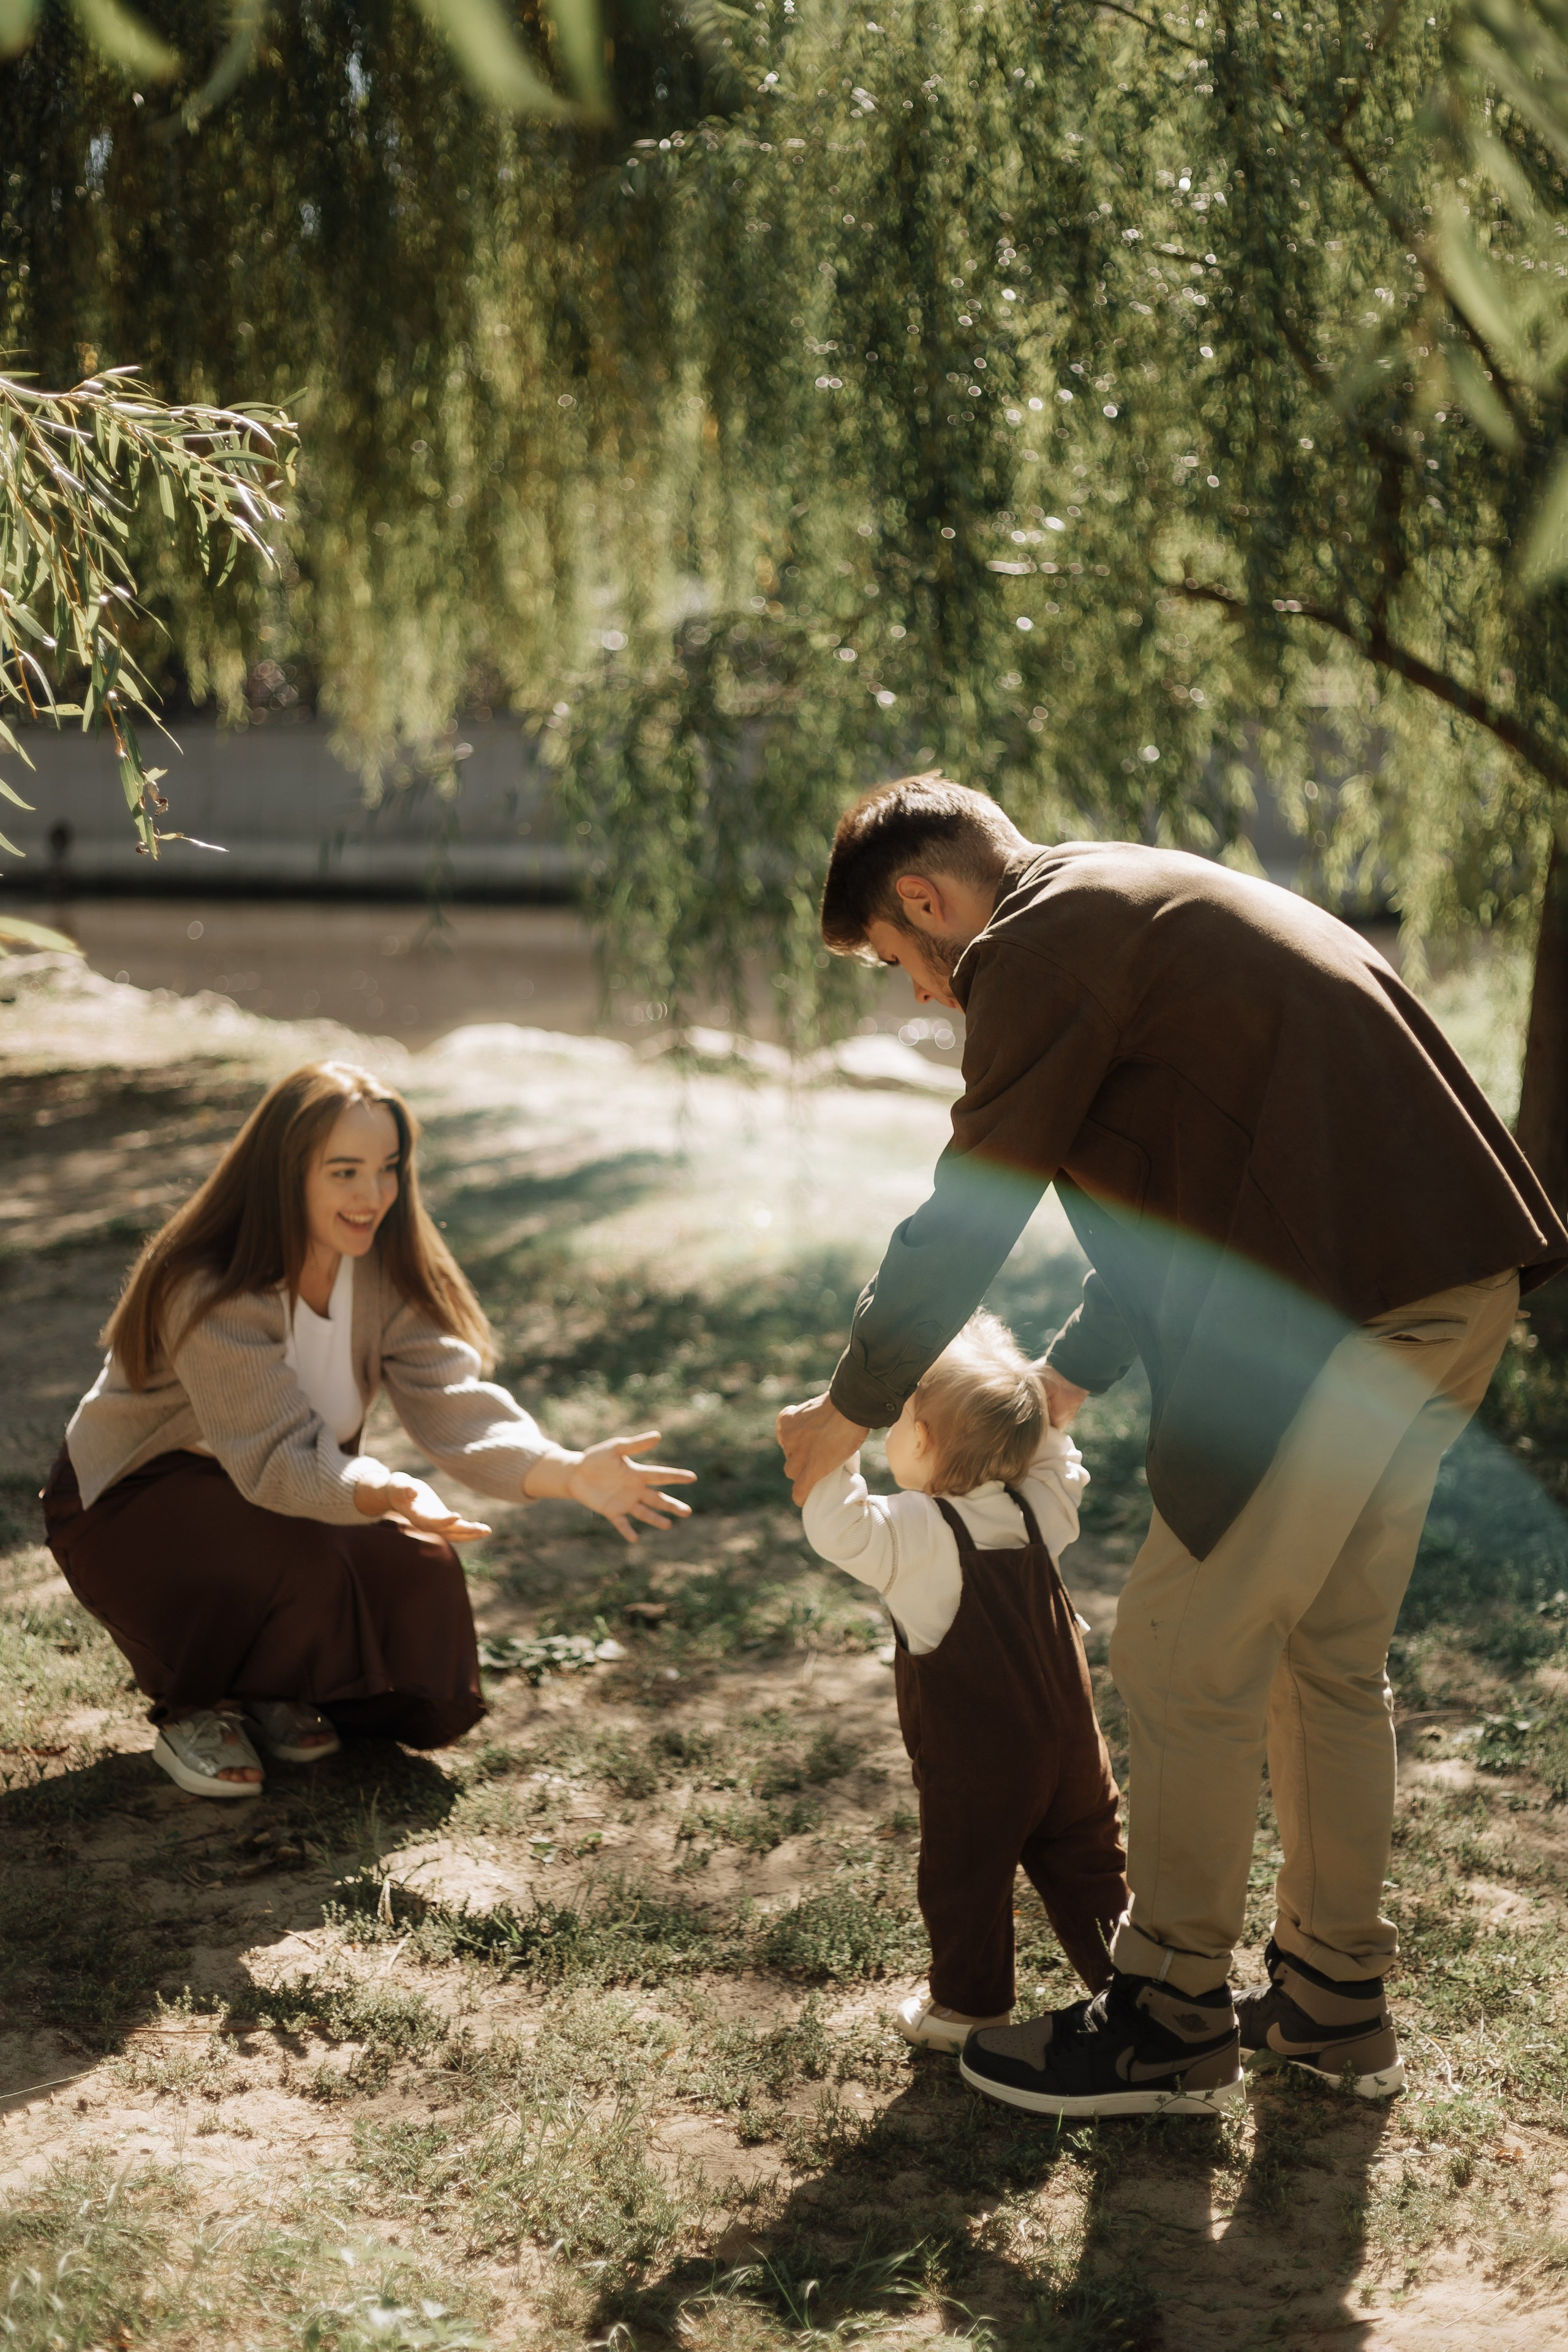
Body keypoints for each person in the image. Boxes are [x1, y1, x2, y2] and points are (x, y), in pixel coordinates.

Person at [778, 774, 1568, 2120]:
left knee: (1178, 1644)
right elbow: (1192, 1203)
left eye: (896, 962)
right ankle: (1328, 1996)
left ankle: (1163, 2015)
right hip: (1445, 1284)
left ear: (924, 899)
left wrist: (843, 1411)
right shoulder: (1123, 895)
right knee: (1324, 1653)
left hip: (1346, 1309)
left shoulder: (1028, 949)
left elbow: (972, 1205)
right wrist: (1064, 1381)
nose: (917, 994)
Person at [43, 1060, 693, 1800]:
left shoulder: (382, 1271)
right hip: (129, 1505)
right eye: (344, 1171)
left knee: (418, 1563)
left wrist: (567, 1469)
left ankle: (268, 1687)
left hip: (254, 1498)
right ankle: (195, 1709)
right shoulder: (212, 1282)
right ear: (285, 1174)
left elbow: (452, 1402)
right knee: (305, 1546)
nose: (373, 1195)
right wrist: (382, 1487)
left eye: (387, 1169)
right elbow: (273, 1465)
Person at [800, 1310, 1128, 2052]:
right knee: (1091, 1864)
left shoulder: (914, 1532)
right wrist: (1036, 1413)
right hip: (1073, 1747)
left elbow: (834, 1525)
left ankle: (968, 2006)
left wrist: (839, 1442)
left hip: (978, 1762)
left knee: (967, 1879)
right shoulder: (1037, 1506)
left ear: (917, 1440)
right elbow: (1055, 1459)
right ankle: (1134, 1986)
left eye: (894, 1419)